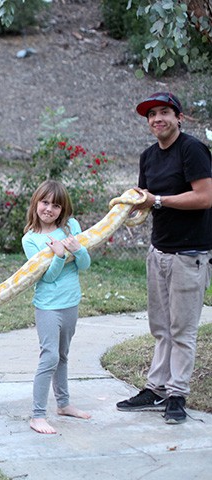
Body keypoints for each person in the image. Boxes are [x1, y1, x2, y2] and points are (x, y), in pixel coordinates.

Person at [116, 92, 212, 424]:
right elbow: (146, 200)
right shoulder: (148, 156)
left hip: (189, 255)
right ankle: (155, 390)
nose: (157, 118)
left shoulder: (193, 150)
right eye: (152, 114)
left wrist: (157, 200)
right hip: (158, 252)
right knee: (161, 328)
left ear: (179, 117)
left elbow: (204, 197)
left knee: (182, 329)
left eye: (164, 113)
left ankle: (177, 395)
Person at [22, 180, 92, 434]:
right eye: (45, 202)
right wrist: (60, 257)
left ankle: (63, 404)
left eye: (56, 205)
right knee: (49, 356)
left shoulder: (71, 227)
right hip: (48, 306)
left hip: (70, 302)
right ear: (36, 204)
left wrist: (78, 249)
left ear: (63, 209)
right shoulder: (30, 240)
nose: (49, 209)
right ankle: (37, 415)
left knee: (62, 354)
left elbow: (84, 265)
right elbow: (46, 278)